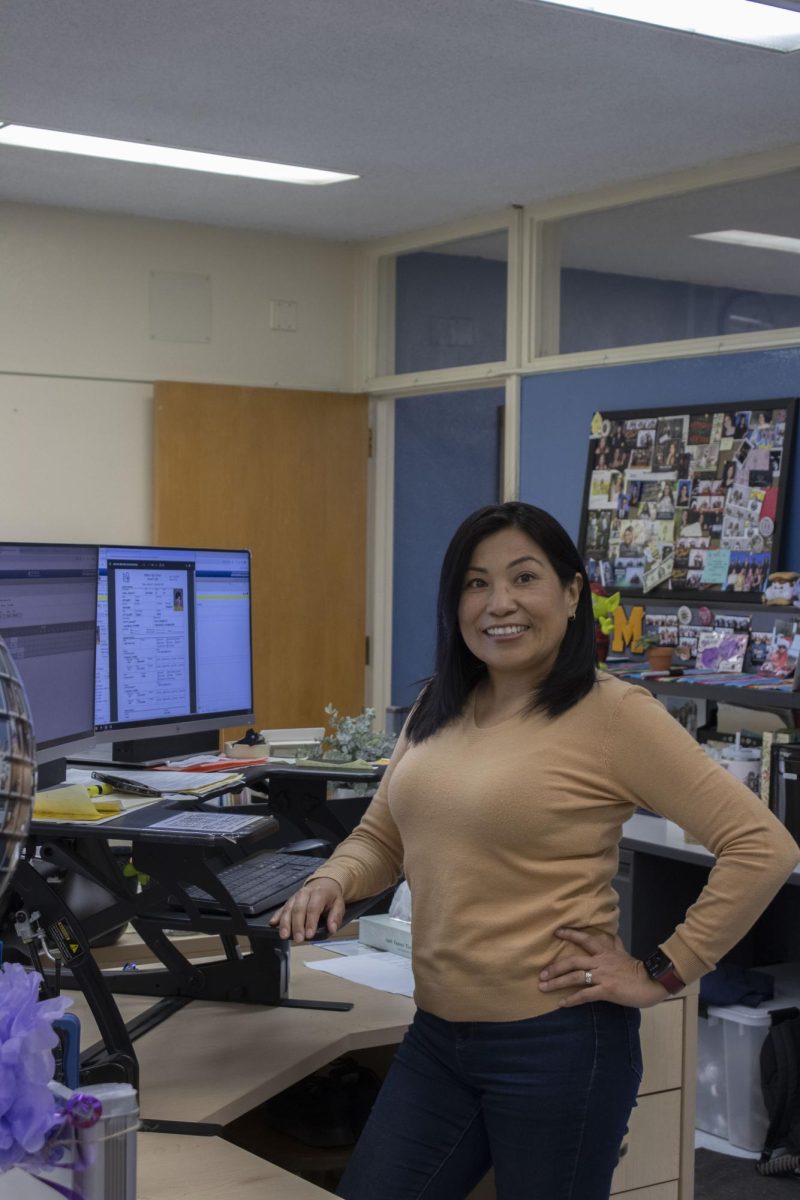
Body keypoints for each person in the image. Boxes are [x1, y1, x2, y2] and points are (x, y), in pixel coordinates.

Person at [272, 502, 799, 1200]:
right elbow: (382, 835)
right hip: (437, 1035)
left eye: (525, 578)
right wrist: (334, 878)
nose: (500, 603)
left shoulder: (614, 713)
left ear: (572, 593)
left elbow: (761, 845)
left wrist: (664, 974)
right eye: (476, 583)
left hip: (558, 1044)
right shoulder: (437, 705)